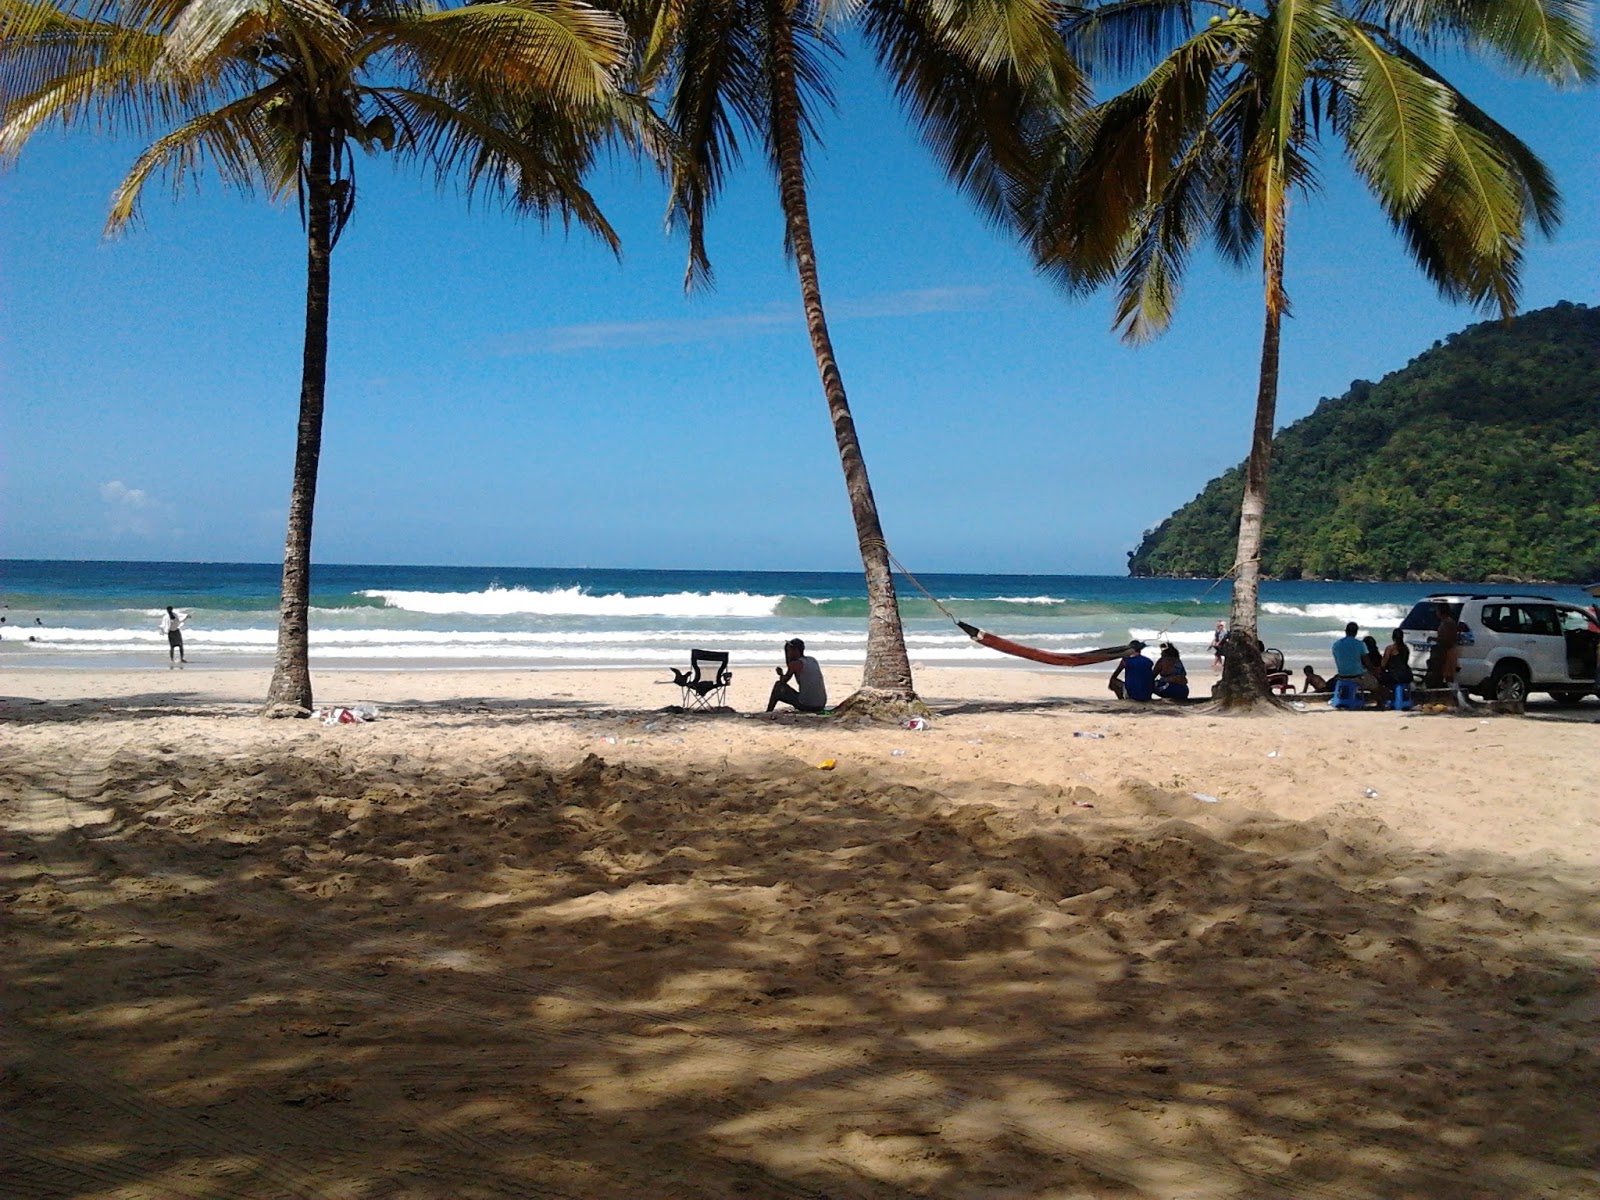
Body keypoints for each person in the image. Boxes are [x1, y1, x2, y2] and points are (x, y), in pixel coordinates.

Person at [767, 638, 826, 713]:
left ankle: (769, 711)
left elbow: (783, 681)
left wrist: (781, 674)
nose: (788, 653)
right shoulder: (812, 660)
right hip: (821, 705)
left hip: (808, 705)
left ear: (796, 651)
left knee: (778, 685)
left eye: (789, 650)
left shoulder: (795, 664)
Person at [1426, 603, 1462, 689]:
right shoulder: (1446, 622)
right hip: (1447, 650)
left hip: (1448, 651)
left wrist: (1433, 639)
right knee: (1446, 675)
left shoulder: (1447, 622)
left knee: (1448, 676)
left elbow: (1446, 639)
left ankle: (1451, 695)